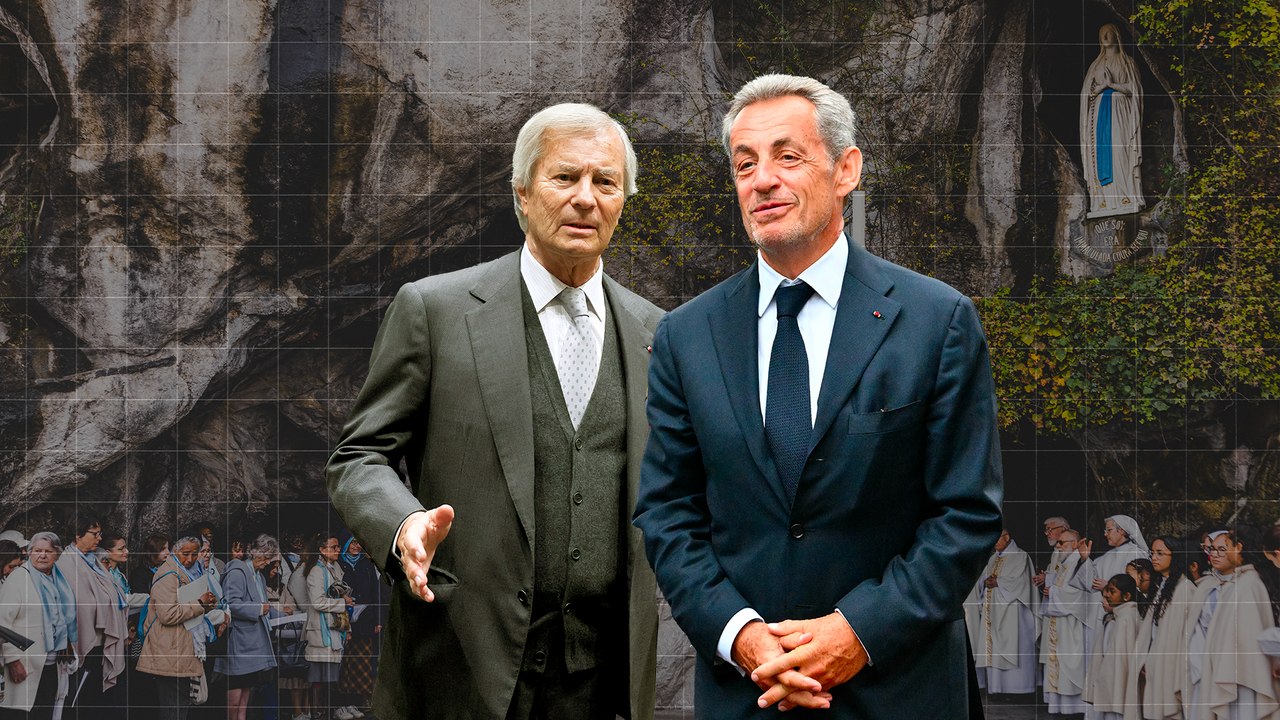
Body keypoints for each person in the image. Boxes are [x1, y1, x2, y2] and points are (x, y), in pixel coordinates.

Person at [633, 73, 1003, 718]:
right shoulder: (686, 336)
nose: (762, 180)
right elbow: (668, 513)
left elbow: (965, 514)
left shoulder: (937, 321)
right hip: (749, 692)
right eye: (745, 164)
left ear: (846, 170)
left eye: (787, 156)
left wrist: (857, 633)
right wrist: (741, 636)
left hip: (897, 690)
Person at [325, 101, 664, 720]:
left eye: (606, 182)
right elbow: (359, 456)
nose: (585, 198)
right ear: (522, 194)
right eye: (565, 177)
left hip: (603, 685)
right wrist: (403, 525)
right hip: (459, 667)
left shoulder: (658, 334)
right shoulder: (434, 310)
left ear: (623, 201)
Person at [1187, 528, 1280, 719]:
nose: (1216, 554)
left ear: (1239, 547)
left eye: (1225, 547)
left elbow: (1249, 634)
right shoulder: (1239, 582)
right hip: (1233, 667)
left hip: (1245, 673)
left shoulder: (1248, 584)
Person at [137, 534, 224, 720]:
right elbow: (167, 614)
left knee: (180, 705)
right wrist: (200, 603)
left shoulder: (192, 572)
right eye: (185, 554)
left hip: (181, 649)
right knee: (173, 707)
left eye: (194, 554)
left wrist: (208, 604)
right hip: (169, 650)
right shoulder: (168, 575)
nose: (190, 559)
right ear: (174, 550)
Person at [55, 517, 126, 719]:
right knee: (79, 699)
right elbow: (70, 603)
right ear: (78, 535)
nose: (99, 538)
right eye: (94, 534)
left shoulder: (94, 561)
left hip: (101, 641)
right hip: (82, 641)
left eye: (99, 533)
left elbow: (112, 593)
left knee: (97, 699)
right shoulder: (65, 563)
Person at [0, 532, 76, 719]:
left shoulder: (59, 580)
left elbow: (60, 617)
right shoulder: (18, 578)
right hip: (25, 665)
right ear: (29, 553)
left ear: (57, 554)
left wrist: (65, 640)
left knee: (45, 712)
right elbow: (2, 624)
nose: (42, 555)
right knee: (21, 714)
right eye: (37, 550)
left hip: (52, 664)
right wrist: (13, 661)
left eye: (48, 551)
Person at [1080, 22, 1144, 218]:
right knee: (1100, 153)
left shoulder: (1127, 62)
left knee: (1120, 152)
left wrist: (1112, 85)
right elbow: (1086, 94)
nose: (1105, 37)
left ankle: (1126, 197)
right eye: (1102, 34)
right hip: (1099, 115)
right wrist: (1100, 89)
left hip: (1120, 113)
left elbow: (1135, 90)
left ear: (1117, 36)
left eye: (1108, 33)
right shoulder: (1096, 65)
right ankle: (1104, 201)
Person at [216, 534, 281, 720]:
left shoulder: (258, 576)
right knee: (235, 697)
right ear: (256, 553)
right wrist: (259, 608)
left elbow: (265, 605)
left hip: (252, 644)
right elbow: (231, 603)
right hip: (239, 642)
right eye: (266, 558)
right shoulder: (237, 571)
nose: (267, 563)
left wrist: (290, 617)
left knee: (245, 695)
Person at [965, 529, 1038, 695]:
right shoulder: (993, 559)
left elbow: (1022, 582)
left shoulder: (1021, 556)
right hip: (993, 612)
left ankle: (1019, 691)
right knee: (994, 650)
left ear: (1007, 537)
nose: (993, 543)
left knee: (1015, 648)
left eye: (996, 539)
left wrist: (998, 581)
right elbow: (982, 580)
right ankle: (997, 689)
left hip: (1014, 613)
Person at [1128, 535, 1192, 720]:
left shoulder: (1184, 589)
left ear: (1175, 555)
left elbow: (1179, 635)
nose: (1154, 558)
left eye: (1160, 553)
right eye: (1152, 553)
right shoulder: (1161, 585)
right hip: (1154, 658)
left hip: (1169, 662)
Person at [303, 534, 353, 720]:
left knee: (331, 678)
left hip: (334, 629)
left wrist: (347, 628)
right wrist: (342, 602)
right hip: (321, 631)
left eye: (338, 546)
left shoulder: (335, 568)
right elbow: (317, 602)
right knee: (319, 678)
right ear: (322, 550)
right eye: (334, 547)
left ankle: (329, 713)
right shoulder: (316, 571)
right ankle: (318, 714)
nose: (338, 550)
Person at [1040, 529, 1091, 714]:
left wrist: (1053, 591)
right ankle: (1060, 707)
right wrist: (1051, 586)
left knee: (1070, 665)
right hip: (1060, 623)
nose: (1058, 546)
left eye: (1062, 543)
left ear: (1075, 543)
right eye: (1058, 542)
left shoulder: (1079, 562)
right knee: (1059, 664)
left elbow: (1079, 593)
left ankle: (1072, 709)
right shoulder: (1067, 563)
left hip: (1071, 624)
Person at [336, 535, 383, 718]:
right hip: (344, 618)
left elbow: (375, 592)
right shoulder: (339, 564)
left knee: (362, 664)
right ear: (346, 544)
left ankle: (357, 702)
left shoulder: (366, 564)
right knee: (345, 663)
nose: (356, 546)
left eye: (359, 543)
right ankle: (343, 703)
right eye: (353, 542)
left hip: (365, 620)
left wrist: (377, 620)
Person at [1084, 574, 1142, 719]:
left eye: (1112, 591)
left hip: (1118, 680)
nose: (1107, 595)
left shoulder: (1126, 618)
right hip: (1111, 678)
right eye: (1107, 591)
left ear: (1126, 596)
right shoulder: (1118, 616)